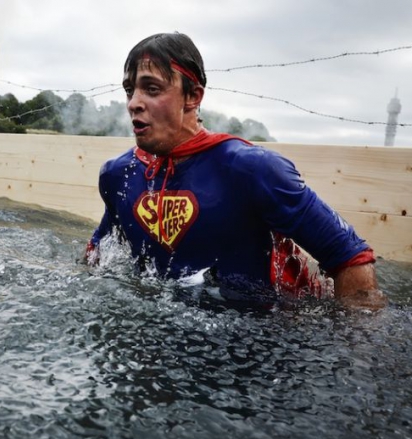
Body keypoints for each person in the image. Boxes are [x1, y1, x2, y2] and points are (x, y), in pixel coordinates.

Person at [86, 33, 386, 310]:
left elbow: (350, 257)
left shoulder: (252, 170)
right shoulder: (118, 174)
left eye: (152, 89)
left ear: (193, 96)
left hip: (266, 337)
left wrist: (353, 350)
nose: (134, 103)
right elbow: (100, 251)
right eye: (130, 90)